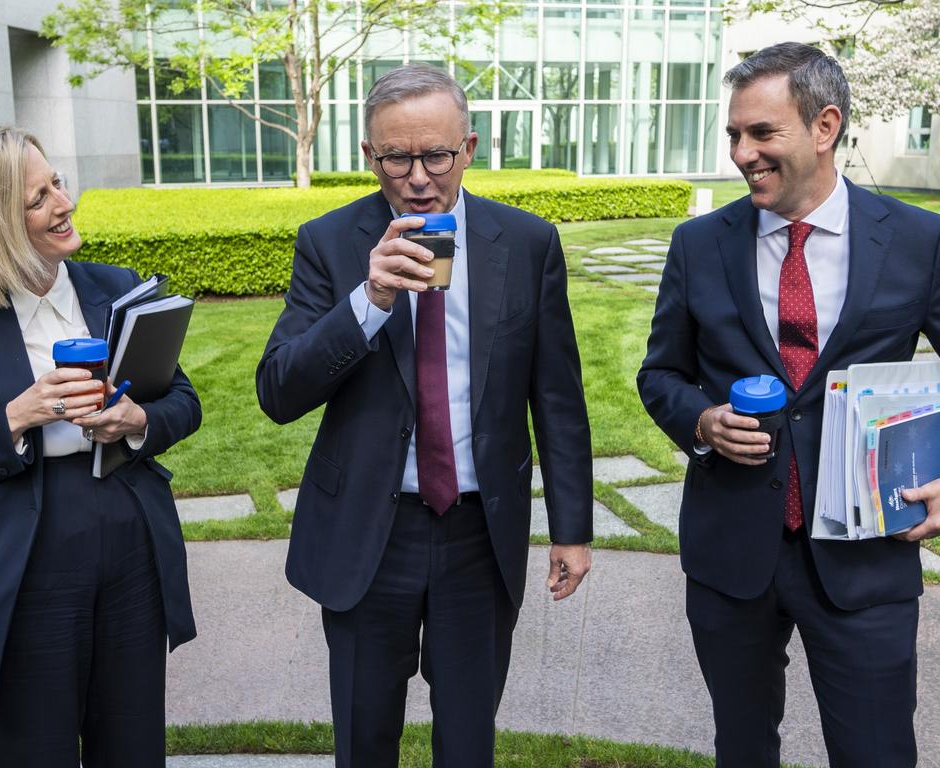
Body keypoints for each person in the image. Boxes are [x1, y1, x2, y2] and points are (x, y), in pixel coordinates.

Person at [256, 64, 594, 768]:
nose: (417, 177)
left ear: (468, 147)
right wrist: (369, 302)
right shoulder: (330, 242)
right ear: (367, 156)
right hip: (367, 535)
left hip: (478, 531)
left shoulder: (527, 244)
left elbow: (557, 396)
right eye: (395, 158)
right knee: (364, 737)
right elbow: (279, 391)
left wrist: (572, 529)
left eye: (436, 155)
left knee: (468, 741)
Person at [638, 42, 940, 766]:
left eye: (762, 133)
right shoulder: (699, 243)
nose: (742, 152)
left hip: (868, 556)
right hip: (732, 553)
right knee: (741, 750)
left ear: (824, 125)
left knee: (877, 753)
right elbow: (661, 375)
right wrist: (702, 422)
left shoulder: (916, 239)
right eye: (734, 134)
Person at [0, 125, 202, 767]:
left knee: (131, 746)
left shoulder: (114, 287)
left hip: (128, 546)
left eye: (57, 183)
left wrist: (136, 420)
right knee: (32, 750)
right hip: (23, 563)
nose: (62, 203)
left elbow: (184, 402)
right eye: (36, 199)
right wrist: (16, 417)